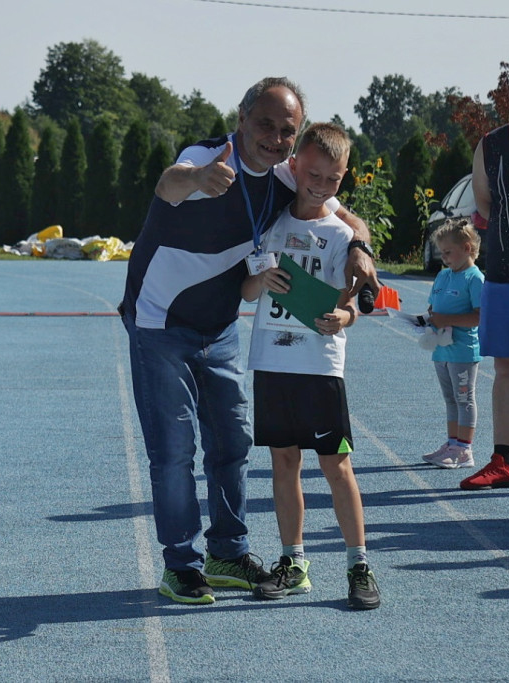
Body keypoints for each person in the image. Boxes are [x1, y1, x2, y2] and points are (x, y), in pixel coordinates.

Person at [120, 77, 379, 605]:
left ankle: (228, 551)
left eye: (288, 130)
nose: (276, 137)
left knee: (233, 444)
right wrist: (196, 178)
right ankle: (182, 564)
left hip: (219, 327)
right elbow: (168, 182)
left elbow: (344, 213)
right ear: (241, 118)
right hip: (159, 324)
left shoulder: (287, 177)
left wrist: (359, 247)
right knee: (174, 452)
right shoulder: (210, 157)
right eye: (265, 123)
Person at [242, 123, 380, 610]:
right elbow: (247, 289)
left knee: (336, 465)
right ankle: (293, 561)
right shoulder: (272, 223)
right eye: (313, 174)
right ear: (294, 165)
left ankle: (359, 564)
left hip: (320, 368)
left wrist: (344, 315)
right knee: (283, 462)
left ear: (342, 180)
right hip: (272, 362)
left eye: (332, 179)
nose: (319, 185)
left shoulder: (343, 235)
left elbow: (356, 303)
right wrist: (264, 281)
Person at [460, 123, 509, 490]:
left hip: (503, 267)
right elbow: (484, 205)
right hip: (504, 270)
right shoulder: (491, 144)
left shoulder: (492, 144)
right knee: (505, 367)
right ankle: (505, 460)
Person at [420, 219, 484, 470]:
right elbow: (433, 306)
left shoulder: (474, 278)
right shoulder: (443, 275)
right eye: (441, 253)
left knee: (464, 399)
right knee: (450, 399)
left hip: (462, 351)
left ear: (467, 248)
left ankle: (464, 450)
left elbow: (479, 316)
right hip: (441, 348)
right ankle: (451, 443)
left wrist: (446, 319)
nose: (444, 258)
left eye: (448, 253)